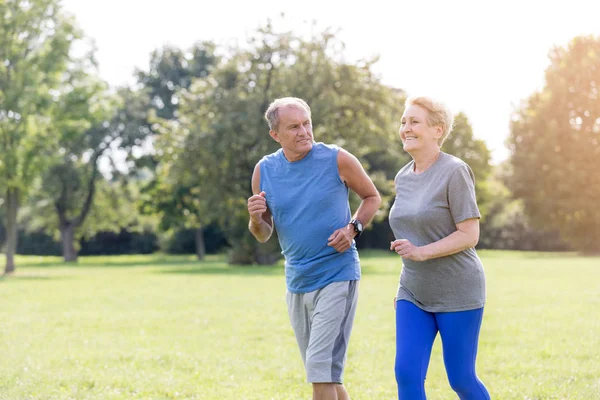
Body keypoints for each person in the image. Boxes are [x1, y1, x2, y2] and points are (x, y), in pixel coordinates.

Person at [247, 97, 381, 400]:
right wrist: (255, 218)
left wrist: (353, 228)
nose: (304, 131)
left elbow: (372, 197)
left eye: (306, 123)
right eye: (294, 127)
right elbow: (263, 234)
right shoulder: (264, 171)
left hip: (337, 273)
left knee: (320, 372)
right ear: (275, 135)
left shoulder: (337, 159)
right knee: (327, 375)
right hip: (297, 281)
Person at [389, 96, 490, 399]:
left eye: (414, 121)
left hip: (458, 290)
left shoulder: (454, 171)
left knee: (460, 378)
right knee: (406, 373)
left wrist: (422, 252)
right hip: (413, 291)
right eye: (403, 122)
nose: (406, 128)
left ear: (438, 130)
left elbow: (469, 235)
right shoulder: (403, 177)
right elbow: (413, 231)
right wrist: (407, 275)